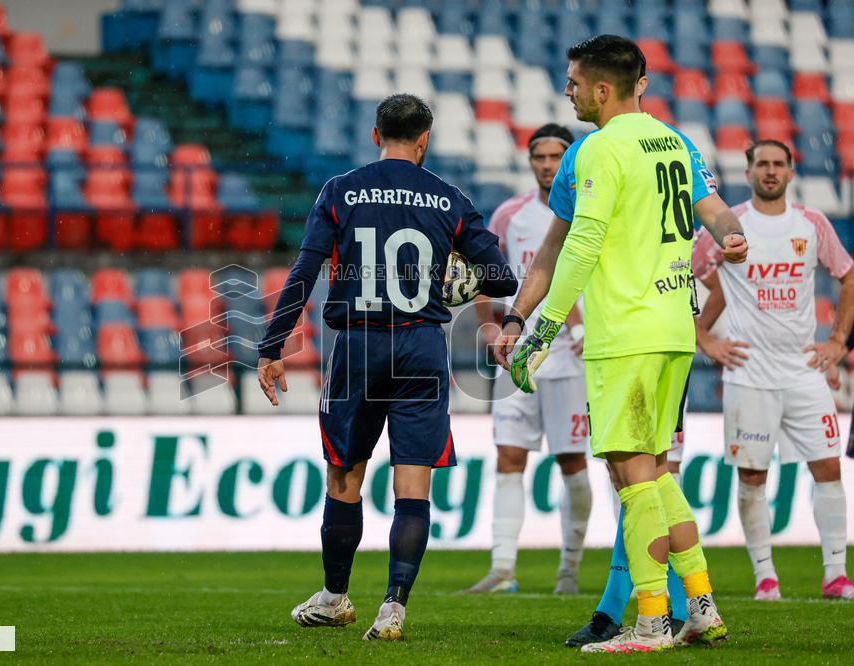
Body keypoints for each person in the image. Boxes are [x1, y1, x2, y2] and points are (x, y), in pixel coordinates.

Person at [493, 35, 748, 652]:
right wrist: (733, 233)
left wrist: (543, 330)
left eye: (574, 82)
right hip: (670, 327)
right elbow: (715, 211)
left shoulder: (599, 150)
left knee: (632, 477)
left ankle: (652, 622)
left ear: (602, 89)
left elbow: (578, 247)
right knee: (658, 474)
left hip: (625, 333)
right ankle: (703, 608)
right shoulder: (672, 141)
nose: (567, 91)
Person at [255, 94, 517, 641]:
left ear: (376, 135)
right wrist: (462, 283)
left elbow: (304, 270)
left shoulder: (341, 191)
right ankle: (393, 606)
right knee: (412, 481)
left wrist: (272, 346)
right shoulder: (448, 199)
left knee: (345, 473)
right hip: (421, 345)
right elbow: (501, 277)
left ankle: (334, 595)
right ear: (425, 139)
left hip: (357, 346)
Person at [693, 139, 854, 602]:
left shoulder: (812, 224)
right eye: (761, 164)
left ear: (790, 171)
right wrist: (704, 337)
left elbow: (848, 275)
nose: (770, 171)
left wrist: (838, 341)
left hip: (805, 370)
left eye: (778, 164)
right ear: (748, 173)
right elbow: (695, 280)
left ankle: (836, 575)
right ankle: (765, 577)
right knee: (752, 476)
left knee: (827, 468)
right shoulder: (728, 224)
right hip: (749, 372)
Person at [463, 123, 592, 596]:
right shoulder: (510, 215)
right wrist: (489, 325)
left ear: (569, 162)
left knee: (572, 461)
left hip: (571, 360)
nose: (546, 165)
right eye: (539, 157)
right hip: (516, 354)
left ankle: (569, 571)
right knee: (509, 457)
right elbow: (484, 272)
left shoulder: (589, 211)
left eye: (556, 157)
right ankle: (502, 570)